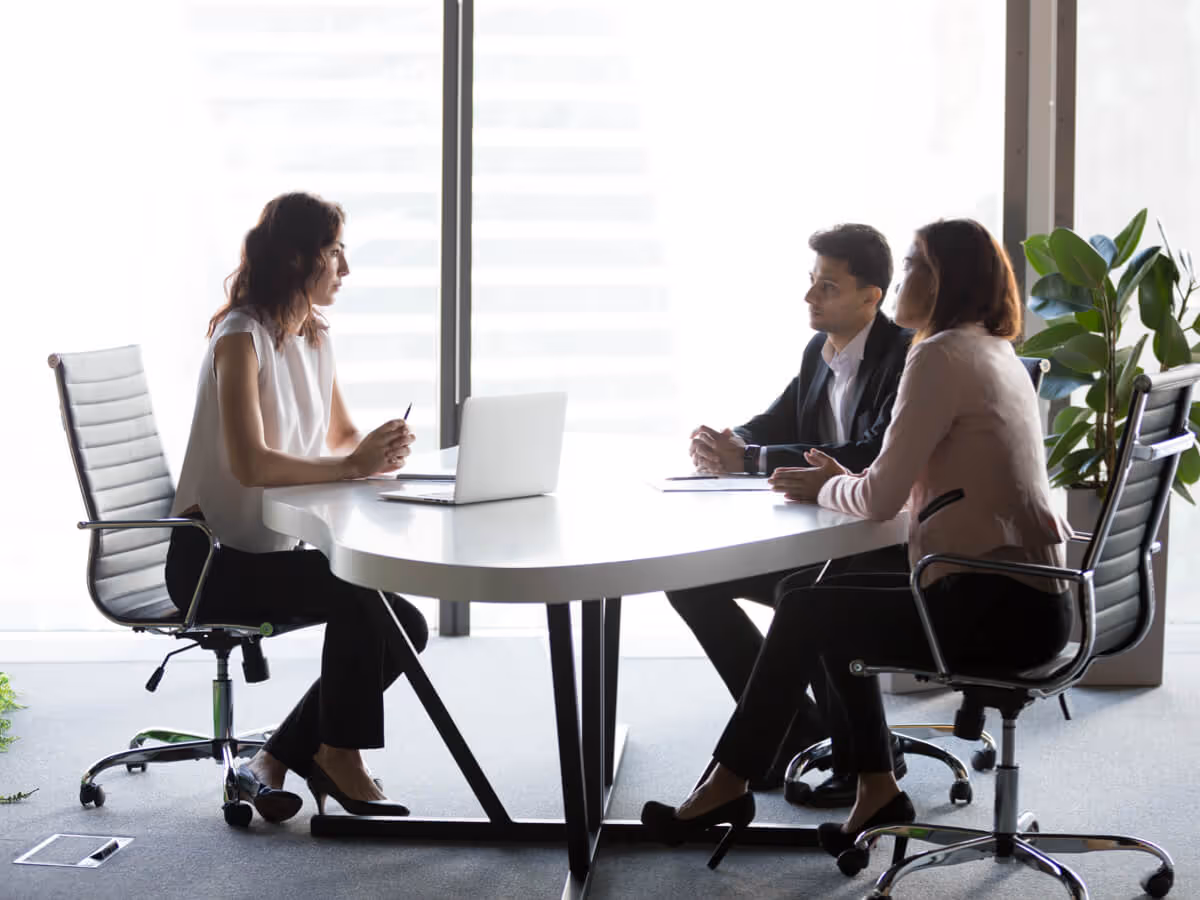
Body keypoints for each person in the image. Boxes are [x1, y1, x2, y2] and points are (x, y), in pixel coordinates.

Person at [641, 218, 1074, 867]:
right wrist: (827, 477)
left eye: (917, 266)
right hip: (1030, 602)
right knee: (817, 594)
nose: (905, 278)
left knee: (812, 607)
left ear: (948, 281)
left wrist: (822, 487)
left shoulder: (937, 356)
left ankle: (729, 783)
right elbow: (885, 486)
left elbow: (877, 497)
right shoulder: (990, 349)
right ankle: (875, 788)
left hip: (990, 609)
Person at [165, 192, 430, 823]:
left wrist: (376, 449)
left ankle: (279, 757)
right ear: (296, 257)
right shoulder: (240, 338)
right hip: (212, 563)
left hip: (271, 549)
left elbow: (340, 437)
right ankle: (340, 756)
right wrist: (349, 467)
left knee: (407, 626)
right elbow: (251, 463)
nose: (345, 267)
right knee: (361, 596)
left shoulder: (312, 331)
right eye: (334, 252)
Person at [667, 223, 911, 803]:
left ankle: (859, 759)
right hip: (824, 539)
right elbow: (778, 423)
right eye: (811, 282)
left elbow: (873, 452)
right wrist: (730, 442)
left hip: (883, 549)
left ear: (870, 296)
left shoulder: (904, 357)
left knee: (808, 594)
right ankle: (792, 731)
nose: (810, 297)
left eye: (827, 286)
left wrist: (749, 459)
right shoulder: (819, 350)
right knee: (689, 581)